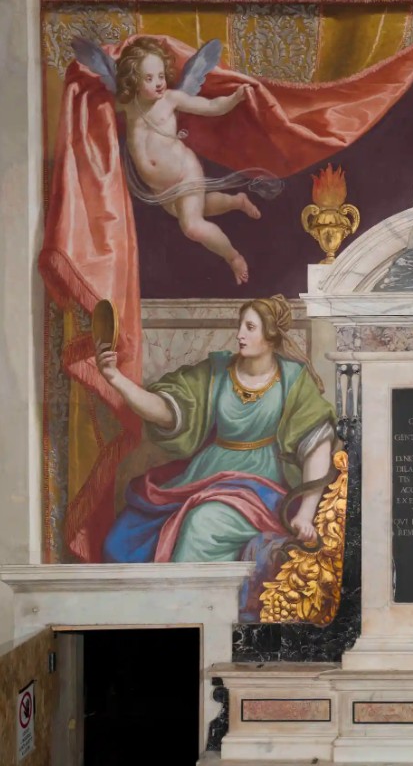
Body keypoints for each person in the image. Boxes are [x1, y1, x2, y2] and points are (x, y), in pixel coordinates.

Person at [98, 294, 340, 562]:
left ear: (271, 336)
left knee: (201, 524)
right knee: (123, 539)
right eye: (240, 326)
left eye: (250, 327)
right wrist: (116, 379)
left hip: (262, 488)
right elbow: (167, 411)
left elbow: (316, 444)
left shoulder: (293, 379)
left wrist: (305, 514)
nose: (239, 335)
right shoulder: (216, 372)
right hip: (206, 474)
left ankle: (190, 590)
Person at [117, 37, 258, 285]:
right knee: (198, 209)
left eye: (161, 76)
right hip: (160, 188)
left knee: (192, 226)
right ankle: (237, 201)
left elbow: (211, 106)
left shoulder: (171, 99)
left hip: (184, 172)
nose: (158, 83)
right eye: (149, 78)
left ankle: (233, 257)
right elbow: (95, 104)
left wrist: (234, 99)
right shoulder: (128, 106)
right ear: (133, 80)